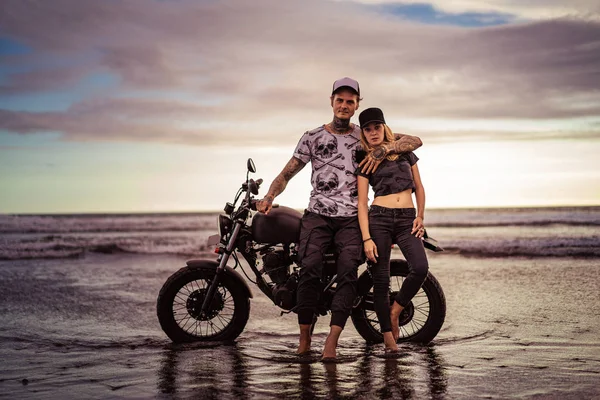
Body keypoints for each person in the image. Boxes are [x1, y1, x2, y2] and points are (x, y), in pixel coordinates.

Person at [257, 78, 422, 361]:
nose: (345, 105)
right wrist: (269, 196)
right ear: (332, 101)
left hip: (351, 219)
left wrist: (383, 150)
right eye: (340, 100)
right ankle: (305, 339)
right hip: (317, 215)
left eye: (350, 101)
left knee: (347, 272)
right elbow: (287, 173)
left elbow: (413, 141)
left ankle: (332, 342)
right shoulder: (312, 137)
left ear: (357, 104)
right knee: (309, 267)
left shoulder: (366, 136)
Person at [355, 107, 429, 353]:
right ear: (363, 133)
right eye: (367, 129)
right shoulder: (364, 159)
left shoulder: (404, 152)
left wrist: (420, 215)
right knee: (381, 280)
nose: (373, 132)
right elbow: (362, 202)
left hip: (407, 218)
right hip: (379, 219)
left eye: (377, 127)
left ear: (384, 127)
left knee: (420, 267)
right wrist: (366, 237)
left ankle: (395, 310)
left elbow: (418, 186)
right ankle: (388, 341)